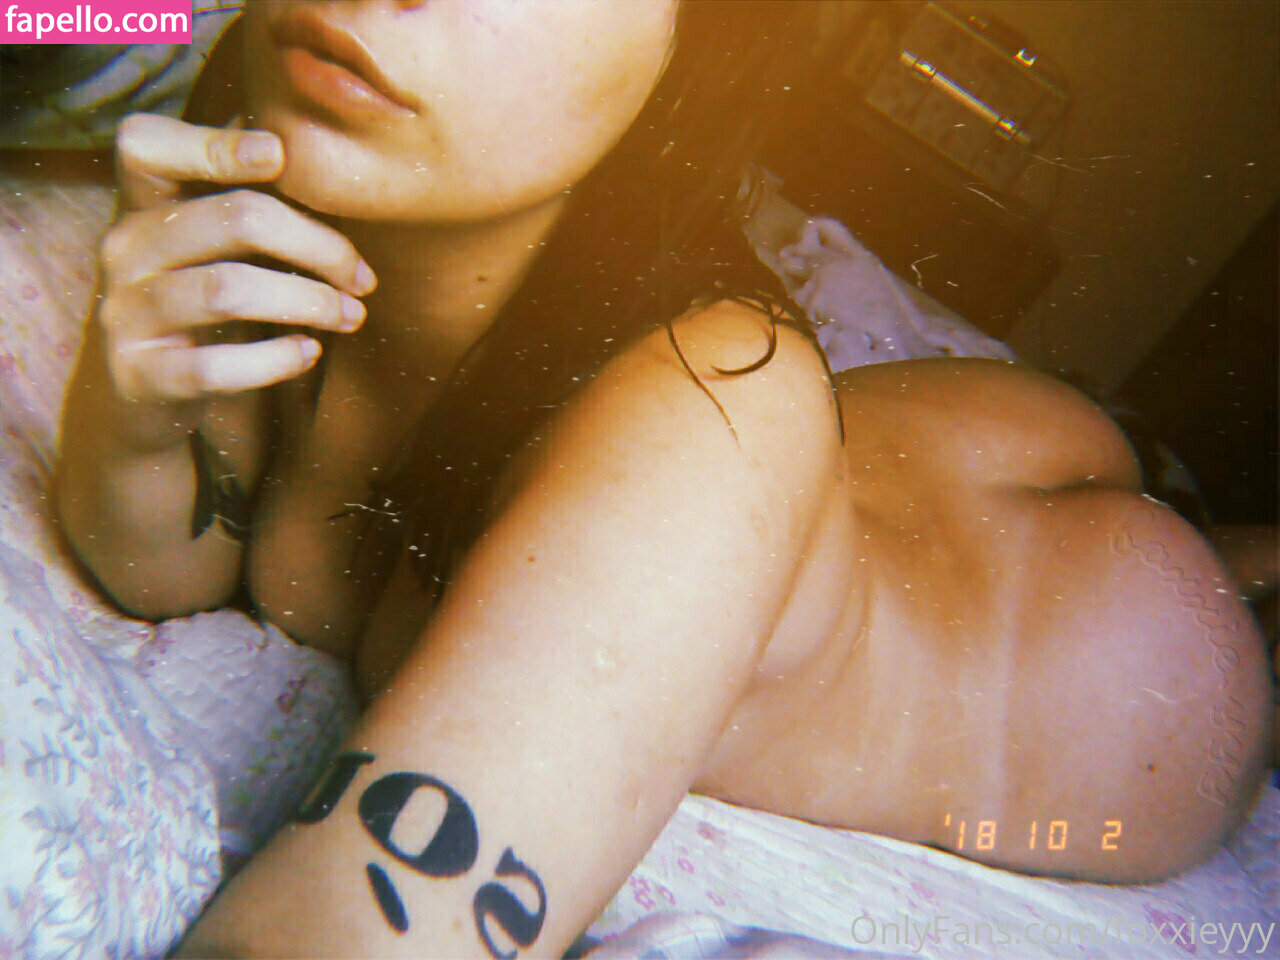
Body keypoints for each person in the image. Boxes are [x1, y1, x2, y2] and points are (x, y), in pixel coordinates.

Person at [53, 1, 1271, 956]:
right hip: (915, 451)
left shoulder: (710, 405)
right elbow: (173, 566)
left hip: (1099, 645)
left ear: (700, 49)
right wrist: (132, 407)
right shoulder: (269, 127)